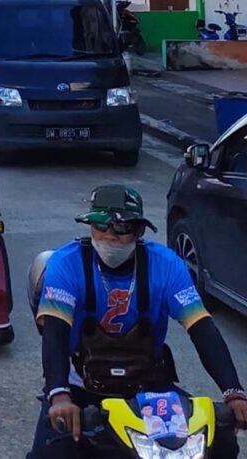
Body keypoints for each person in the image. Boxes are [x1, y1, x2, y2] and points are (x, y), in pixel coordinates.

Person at [29, 184, 247, 458]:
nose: (109, 235)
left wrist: (233, 392)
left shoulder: (167, 265)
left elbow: (202, 329)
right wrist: (59, 394)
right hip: (80, 386)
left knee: (221, 444)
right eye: (100, 225)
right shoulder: (65, 263)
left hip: (148, 386)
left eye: (121, 228)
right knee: (49, 451)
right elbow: (55, 334)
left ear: (139, 231)